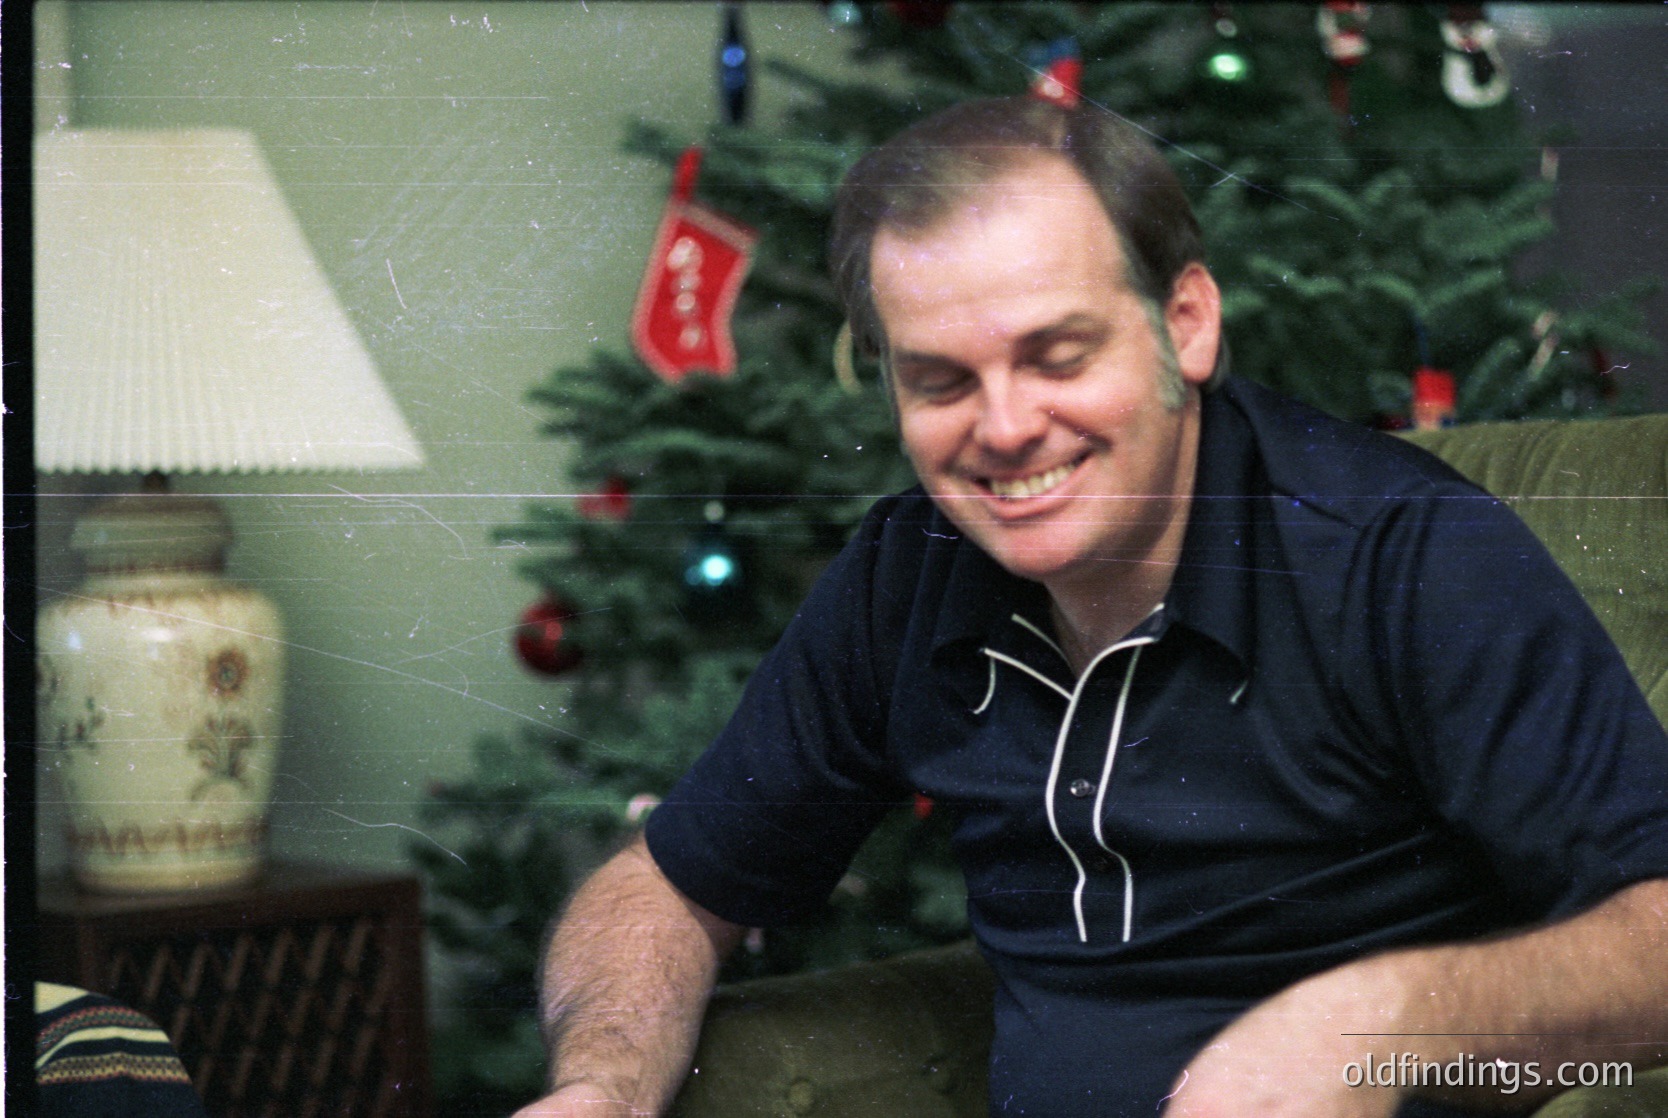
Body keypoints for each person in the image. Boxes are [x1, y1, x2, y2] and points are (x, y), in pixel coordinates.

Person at [515, 97, 1668, 1118]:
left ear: (1186, 326)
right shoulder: (906, 571)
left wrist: (1378, 1021)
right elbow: (670, 883)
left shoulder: (1406, 556)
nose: (1006, 426)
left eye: (1057, 354)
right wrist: (600, 1084)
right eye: (942, 380)